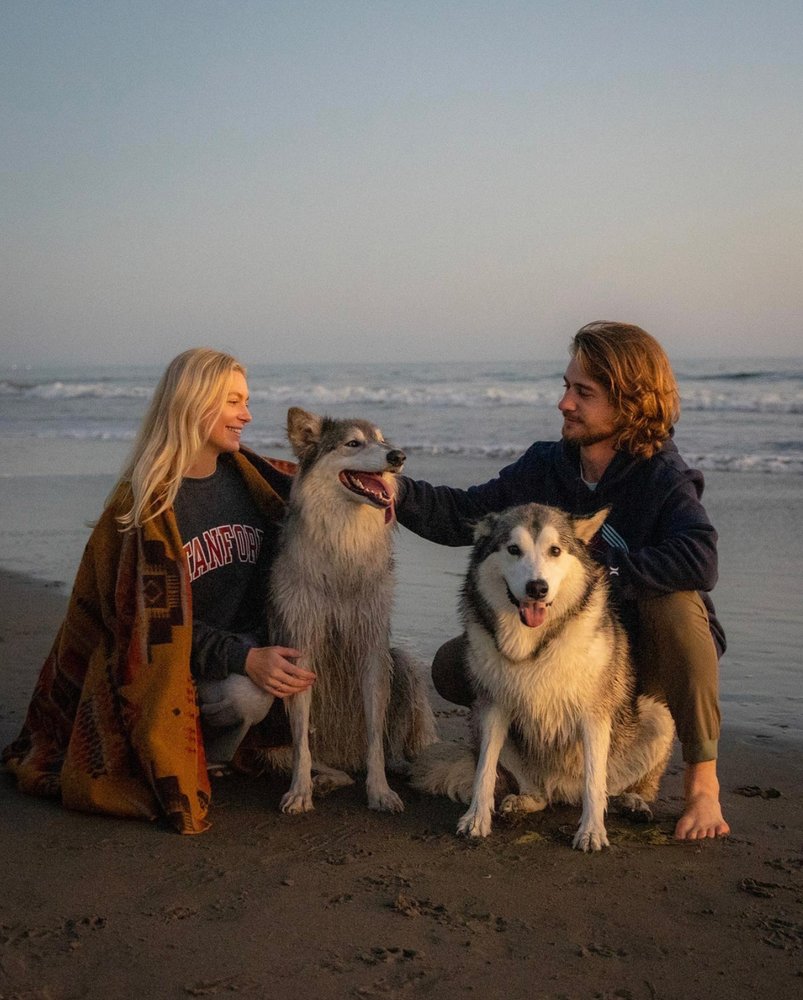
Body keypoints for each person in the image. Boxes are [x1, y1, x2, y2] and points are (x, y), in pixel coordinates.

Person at [395, 321, 730, 841]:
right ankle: (536, 769)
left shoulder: (661, 475)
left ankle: (702, 787)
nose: (565, 403)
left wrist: (606, 571)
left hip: (641, 657)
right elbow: (464, 513)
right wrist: (392, 490)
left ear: (630, 403)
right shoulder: (546, 466)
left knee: (680, 606)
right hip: (559, 645)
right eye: (567, 386)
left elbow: (700, 556)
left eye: (583, 393)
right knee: (453, 665)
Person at [2, 348, 314, 833]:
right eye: (233, 402)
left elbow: (325, 485)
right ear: (193, 403)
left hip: (246, 644)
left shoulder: (255, 481)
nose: (247, 415)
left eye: (247, 401)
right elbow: (145, 630)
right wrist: (245, 658)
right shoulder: (146, 507)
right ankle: (196, 759)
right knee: (247, 695)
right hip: (170, 671)